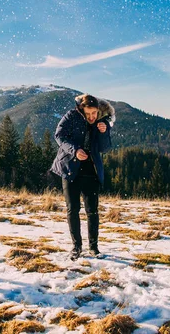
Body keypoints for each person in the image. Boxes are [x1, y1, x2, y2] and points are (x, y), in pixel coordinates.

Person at [50, 94, 114, 260]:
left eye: (94, 113)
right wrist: (75, 150)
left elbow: (105, 148)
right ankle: (76, 247)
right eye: (88, 114)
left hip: (91, 171)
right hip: (70, 168)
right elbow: (59, 136)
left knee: (92, 211)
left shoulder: (102, 122)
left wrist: (103, 132)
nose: (92, 117)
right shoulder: (71, 116)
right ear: (81, 109)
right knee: (73, 210)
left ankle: (94, 247)